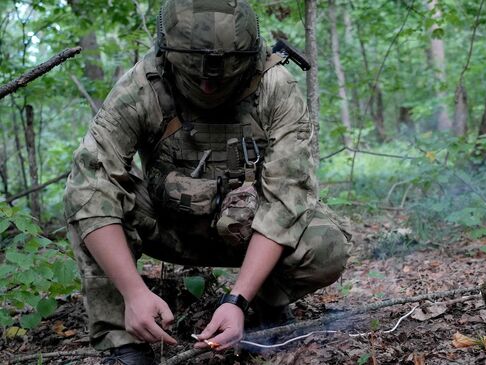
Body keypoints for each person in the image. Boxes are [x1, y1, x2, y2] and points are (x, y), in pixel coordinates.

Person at [63, 0, 350, 363]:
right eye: (196, 77)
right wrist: (133, 292)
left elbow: (285, 199)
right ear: (168, 57)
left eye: (221, 76)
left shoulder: (274, 86)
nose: (209, 87)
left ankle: (261, 305)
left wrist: (237, 300)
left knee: (325, 245)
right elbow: (91, 183)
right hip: (166, 226)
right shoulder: (143, 85)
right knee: (87, 198)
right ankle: (124, 341)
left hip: (248, 234)